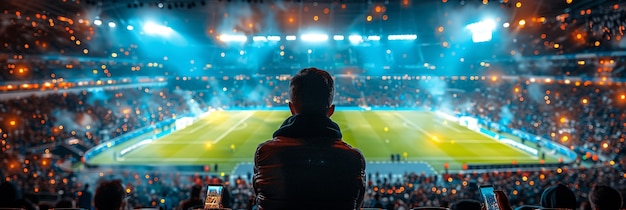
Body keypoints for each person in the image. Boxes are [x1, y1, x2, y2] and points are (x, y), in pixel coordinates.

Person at [253, 68, 366, 209]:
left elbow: (259, 200)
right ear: (331, 111)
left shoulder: (265, 153)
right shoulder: (354, 159)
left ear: (291, 108)